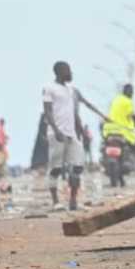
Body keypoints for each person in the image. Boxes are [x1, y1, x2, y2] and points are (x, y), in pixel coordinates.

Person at [42, 61, 107, 211]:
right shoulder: (49, 88)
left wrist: (82, 131)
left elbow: (74, 113)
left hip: (71, 134)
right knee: (56, 169)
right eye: (67, 70)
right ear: (59, 72)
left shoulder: (71, 90)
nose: (70, 73)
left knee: (78, 166)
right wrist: (56, 130)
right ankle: (56, 201)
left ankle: (73, 200)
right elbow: (47, 111)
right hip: (56, 134)